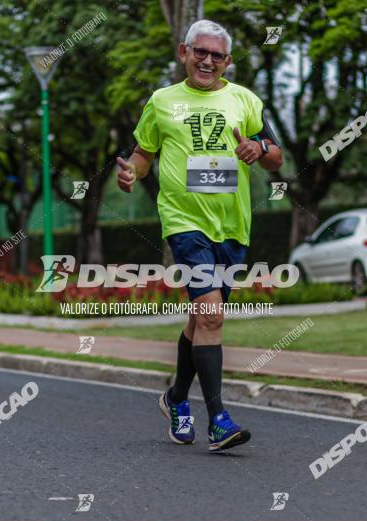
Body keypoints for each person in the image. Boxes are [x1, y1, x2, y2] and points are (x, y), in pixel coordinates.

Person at [117, 20, 284, 451]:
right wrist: (130, 174)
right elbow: (142, 156)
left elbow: (277, 157)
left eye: (217, 55)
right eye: (200, 52)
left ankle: (175, 399)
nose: (207, 60)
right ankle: (219, 420)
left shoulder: (244, 99)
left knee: (200, 320)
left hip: (233, 227)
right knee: (211, 316)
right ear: (183, 52)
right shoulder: (162, 101)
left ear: (227, 61)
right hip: (184, 223)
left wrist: (259, 150)